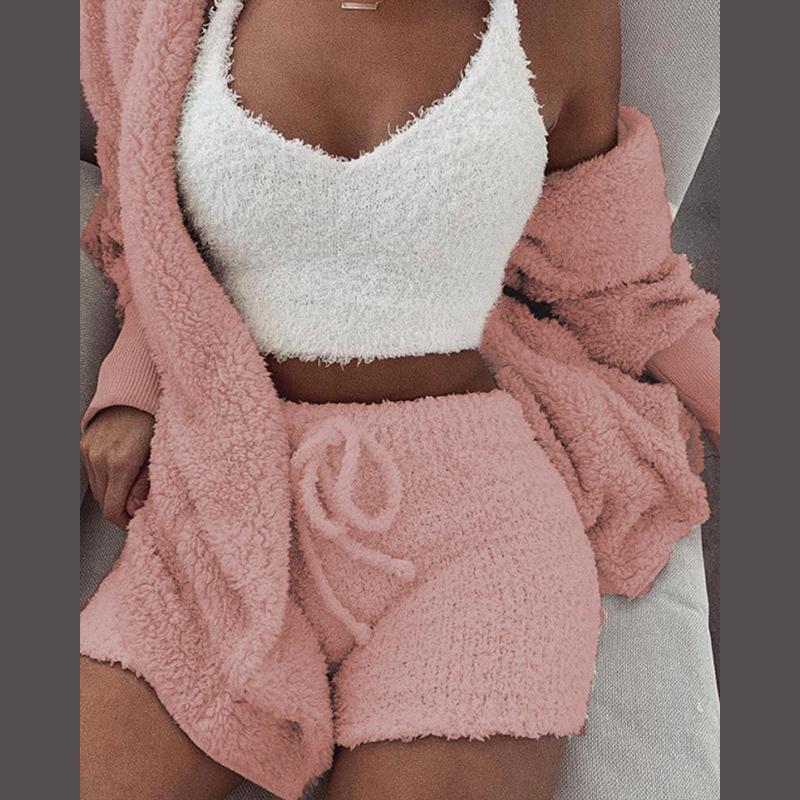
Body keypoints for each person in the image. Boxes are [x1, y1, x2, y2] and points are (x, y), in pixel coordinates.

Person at [79, 2, 720, 799]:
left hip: (478, 530)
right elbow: (149, 224)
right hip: (232, 503)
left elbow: (612, 274)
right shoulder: (162, 12)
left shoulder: (560, 13)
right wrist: (132, 384)